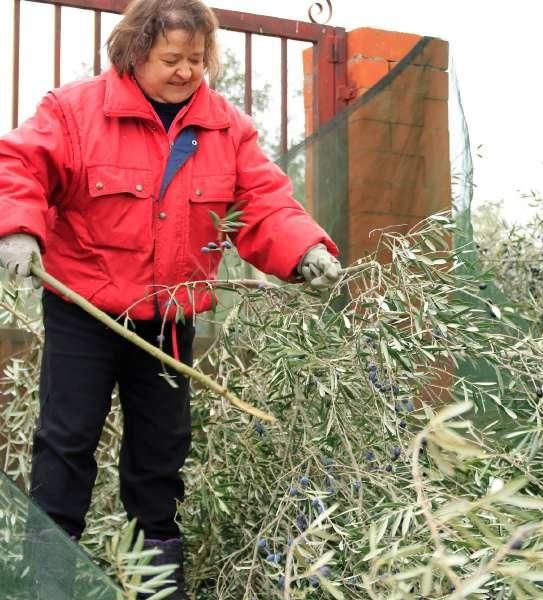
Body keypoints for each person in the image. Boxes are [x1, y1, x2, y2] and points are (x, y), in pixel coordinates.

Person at [0, 0, 342, 597]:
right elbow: (19, 167)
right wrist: (18, 228)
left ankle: (155, 583)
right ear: (134, 54)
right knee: (67, 440)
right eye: (171, 58)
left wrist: (304, 249)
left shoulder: (226, 128)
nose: (186, 70)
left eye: (197, 58)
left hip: (171, 316)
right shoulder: (75, 112)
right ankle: (48, 583)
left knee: (160, 452)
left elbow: (264, 203)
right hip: (86, 309)